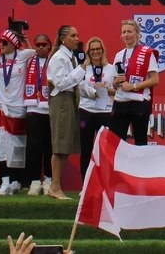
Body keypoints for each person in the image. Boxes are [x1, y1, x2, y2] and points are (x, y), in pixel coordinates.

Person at [0, 29, 35, 195]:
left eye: (5, 42)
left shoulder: (22, 56)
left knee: (15, 147)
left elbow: (36, 55)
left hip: (17, 108)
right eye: (0, 41)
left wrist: (25, 41)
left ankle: (15, 181)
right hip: (0, 107)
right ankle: (4, 181)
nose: (1, 45)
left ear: (14, 45)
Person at [46, 25, 87, 199]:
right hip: (61, 100)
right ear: (63, 38)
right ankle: (54, 186)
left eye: (77, 35)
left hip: (69, 100)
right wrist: (81, 70)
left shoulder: (71, 58)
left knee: (65, 145)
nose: (77, 39)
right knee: (60, 144)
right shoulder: (59, 58)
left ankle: (56, 186)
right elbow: (60, 83)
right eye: (73, 35)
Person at [111, 20, 160, 145]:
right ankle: (119, 165)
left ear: (138, 34)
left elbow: (155, 79)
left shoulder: (147, 53)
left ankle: (140, 165)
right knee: (116, 141)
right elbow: (113, 84)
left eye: (130, 31)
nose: (126, 34)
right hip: (120, 102)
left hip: (139, 102)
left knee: (140, 140)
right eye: (124, 32)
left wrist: (133, 86)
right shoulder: (119, 55)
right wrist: (116, 82)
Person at [78, 36, 115, 178]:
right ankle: (85, 185)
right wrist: (93, 91)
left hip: (105, 111)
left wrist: (105, 89)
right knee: (86, 149)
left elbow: (116, 89)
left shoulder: (111, 68)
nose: (95, 52)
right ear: (88, 52)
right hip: (86, 110)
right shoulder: (83, 69)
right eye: (92, 49)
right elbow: (80, 87)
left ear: (102, 50)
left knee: (105, 150)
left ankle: (105, 183)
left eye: (98, 49)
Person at [24, 33, 54, 195]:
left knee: (49, 146)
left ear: (49, 46)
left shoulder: (55, 60)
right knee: (33, 147)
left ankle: (49, 180)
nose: (41, 47)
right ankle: (34, 181)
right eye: (38, 45)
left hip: (50, 109)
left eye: (44, 44)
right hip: (33, 108)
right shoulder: (28, 59)